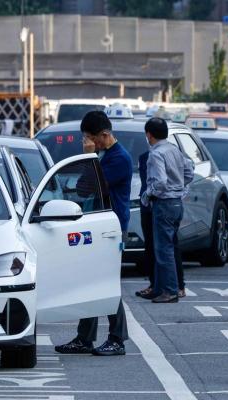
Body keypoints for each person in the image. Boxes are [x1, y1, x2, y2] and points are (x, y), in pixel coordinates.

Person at [55, 111, 132, 356]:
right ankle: (84, 338)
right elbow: (83, 187)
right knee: (88, 281)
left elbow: (91, 185)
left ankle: (117, 338)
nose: (88, 143)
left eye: (90, 138)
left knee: (106, 283)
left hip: (111, 227)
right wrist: (92, 157)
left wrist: (89, 157)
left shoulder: (118, 158)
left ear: (104, 135)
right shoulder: (103, 156)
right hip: (94, 223)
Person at [141, 118, 194, 303]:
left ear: (149, 134)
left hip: (163, 204)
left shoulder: (156, 154)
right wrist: (179, 186)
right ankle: (160, 288)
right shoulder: (174, 149)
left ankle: (169, 291)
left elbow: (160, 182)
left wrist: (148, 194)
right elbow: (189, 173)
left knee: (163, 250)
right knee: (167, 247)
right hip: (177, 203)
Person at [135, 150, 186, 299]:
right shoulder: (145, 156)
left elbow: (161, 181)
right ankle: (156, 286)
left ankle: (176, 287)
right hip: (152, 204)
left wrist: (152, 194)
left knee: (167, 246)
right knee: (152, 246)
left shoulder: (165, 154)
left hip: (161, 202)